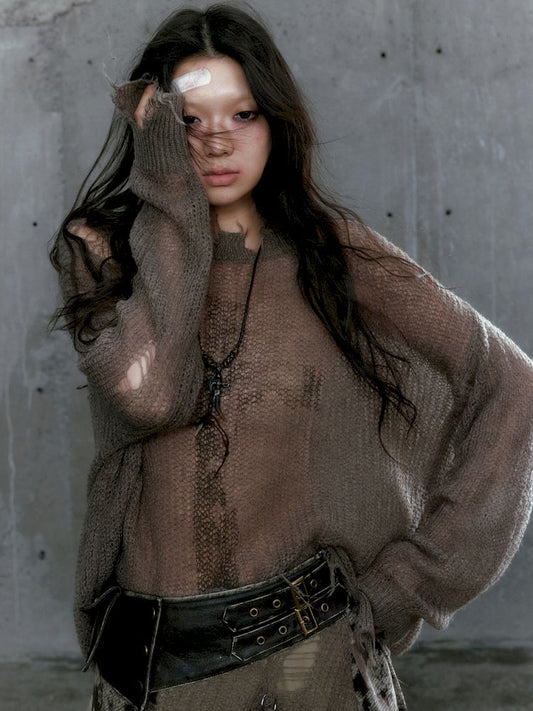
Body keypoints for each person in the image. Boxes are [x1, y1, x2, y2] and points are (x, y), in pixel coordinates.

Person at [50, 4, 533, 711]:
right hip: (149, 671)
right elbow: (154, 396)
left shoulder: (334, 254)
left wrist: (410, 584)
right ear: (154, 131)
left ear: (276, 121)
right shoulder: (102, 253)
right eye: (189, 120)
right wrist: (172, 196)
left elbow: (513, 384)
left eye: (242, 114)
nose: (217, 140)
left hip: (312, 666)